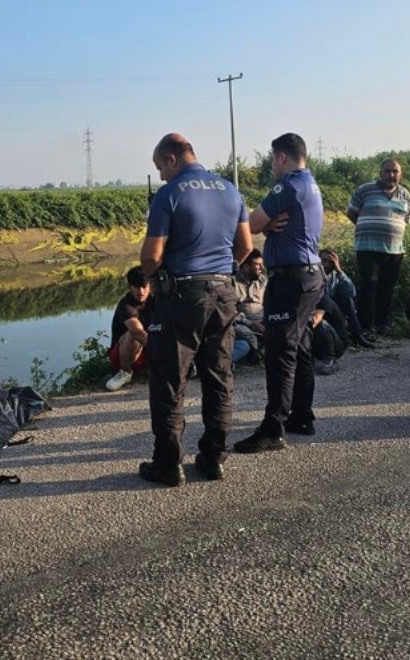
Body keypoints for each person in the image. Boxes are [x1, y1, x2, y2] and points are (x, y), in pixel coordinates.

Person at [137, 133, 253, 486]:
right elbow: (245, 247)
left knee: (170, 381)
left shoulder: (169, 195)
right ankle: (213, 459)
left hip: (182, 296)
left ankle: (168, 465)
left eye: (159, 167)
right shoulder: (230, 191)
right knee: (219, 378)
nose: (160, 175)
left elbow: (152, 257)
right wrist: (216, 270)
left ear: (172, 159)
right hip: (223, 293)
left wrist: (154, 278)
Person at [234, 133, 325, 453]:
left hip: (291, 280)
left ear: (282, 157)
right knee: (299, 348)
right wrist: (269, 226)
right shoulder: (311, 184)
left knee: (279, 353)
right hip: (309, 277)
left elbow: (252, 223)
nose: (273, 165)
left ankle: (273, 427)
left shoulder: (287, 185)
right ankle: (301, 416)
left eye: (273, 159)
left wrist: (264, 225)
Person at [347, 158, 410, 345]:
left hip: (394, 249)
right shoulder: (364, 190)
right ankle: (365, 327)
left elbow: (405, 219)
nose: (391, 175)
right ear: (380, 173)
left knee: (387, 288)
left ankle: (383, 324)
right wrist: (369, 227)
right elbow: (352, 213)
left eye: (395, 171)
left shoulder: (405, 194)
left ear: (400, 174)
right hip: (368, 247)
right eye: (387, 171)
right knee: (369, 286)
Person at [104, 266, 152, 391]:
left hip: (148, 351)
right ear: (130, 287)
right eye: (136, 287)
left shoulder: (158, 301)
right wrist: (162, 351)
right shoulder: (126, 306)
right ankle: (125, 373)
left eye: (144, 286)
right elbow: (137, 332)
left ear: (150, 285)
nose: (141, 291)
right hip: (123, 355)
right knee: (133, 334)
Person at [321, 248, 364, 345]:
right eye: (323, 261)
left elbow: (351, 293)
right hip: (319, 309)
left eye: (330, 262)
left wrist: (339, 270)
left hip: (332, 309)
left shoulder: (335, 274)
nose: (326, 265)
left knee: (346, 299)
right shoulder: (313, 273)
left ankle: (357, 334)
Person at [310, 291, 348, 375]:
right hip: (316, 345)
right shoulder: (302, 301)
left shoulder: (324, 300)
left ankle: (330, 360)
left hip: (337, 345)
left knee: (319, 323)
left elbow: (315, 321)